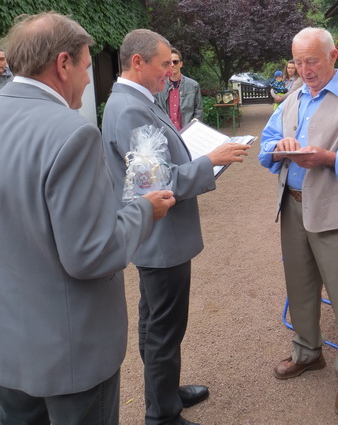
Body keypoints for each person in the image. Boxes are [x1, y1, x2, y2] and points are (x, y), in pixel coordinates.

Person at [0, 13, 175, 425]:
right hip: (70, 350)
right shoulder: (71, 132)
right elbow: (90, 255)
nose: (87, 78)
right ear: (63, 64)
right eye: (85, 66)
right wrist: (144, 211)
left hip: (10, 344)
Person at [101, 29, 251, 425]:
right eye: (164, 64)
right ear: (138, 62)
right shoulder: (131, 108)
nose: (171, 71)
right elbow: (156, 186)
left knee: (156, 322)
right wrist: (210, 160)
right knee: (164, 328)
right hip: (160, 239)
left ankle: (164, 392)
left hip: (155, 237)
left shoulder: (133, 100)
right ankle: (162, 415)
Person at [258, 27, 338, 419]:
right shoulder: (292, 99)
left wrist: (329, 159)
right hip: (293, 206)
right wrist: (278, 149)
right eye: (298, 62)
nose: (304, 69)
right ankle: (308, 353)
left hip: (337, 211)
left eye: (312, 60)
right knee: (300, 287)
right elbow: (265, 145)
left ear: (333, 56)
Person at [155, 47, 203, 130]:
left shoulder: (193, 85)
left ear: (181, 64)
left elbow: (199, 111)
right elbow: (156, 109)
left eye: (175, 62)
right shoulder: (159, 86)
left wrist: (193, 127)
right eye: (169, 62)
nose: (172, 65)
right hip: (168, 132)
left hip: (187, 131)